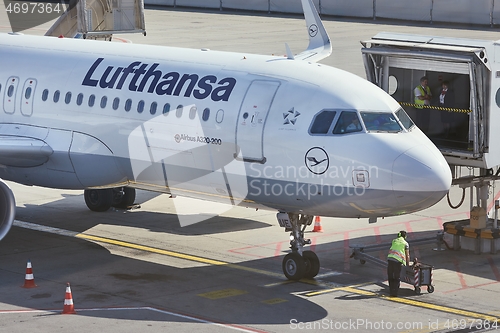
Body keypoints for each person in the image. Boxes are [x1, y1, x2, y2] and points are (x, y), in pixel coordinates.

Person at [387, 230, 410, 297]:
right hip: (397, 261)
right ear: (405, 236)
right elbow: (407, 255)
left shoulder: (394, 240)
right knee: (397, 277)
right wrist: (408, 265)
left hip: (390, 259)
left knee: (390, 276)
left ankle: (391, 291)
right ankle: (395, 293)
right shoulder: (405, 244)